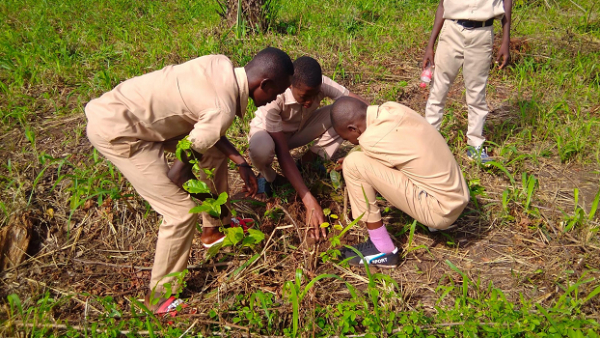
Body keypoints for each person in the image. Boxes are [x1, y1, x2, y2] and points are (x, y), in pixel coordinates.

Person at [85, 47, 294, 312]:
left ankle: (214, 229)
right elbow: (179, 174)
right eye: (275, 93)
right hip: (121, 131)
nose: (272, 100)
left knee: (215, 156)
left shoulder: (220, 65)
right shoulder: (223, 109)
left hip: (140, 114)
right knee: (180, 211)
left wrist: (239, 162)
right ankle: (159, 298)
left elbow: (208, 125)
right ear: (264, 84)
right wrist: (207, 200)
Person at [330, 97, 470, 267]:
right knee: (358, 160)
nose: (351, 142)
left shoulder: (370, 140)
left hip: (440, 211)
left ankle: (381, 248)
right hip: (458, 195)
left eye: (347, 138)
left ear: (353, 128)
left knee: (353, 164)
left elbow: (368, 161)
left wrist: (357, 162)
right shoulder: (392, 108)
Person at [247, 56, 366, 240]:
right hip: (270, 136)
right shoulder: (275, 98)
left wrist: (381, 118)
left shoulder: (319, 84)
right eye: (304, 96)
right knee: (261, 150)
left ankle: (309, 161)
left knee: (344, 114)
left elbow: (356, 105)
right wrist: (309, 200)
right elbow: (282, 153)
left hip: (298, 130)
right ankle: (267, 176)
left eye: (314, 94)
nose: (310, 101)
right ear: (290, 86)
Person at [423, 0, 512, 163]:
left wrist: (506, 40)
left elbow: (507, 2)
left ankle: (475, 145)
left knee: (476, 93)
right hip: (452, 30)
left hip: (482, 34)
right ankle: (429, 142)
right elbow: (442, 5)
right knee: (439, 89)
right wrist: (431, 45)